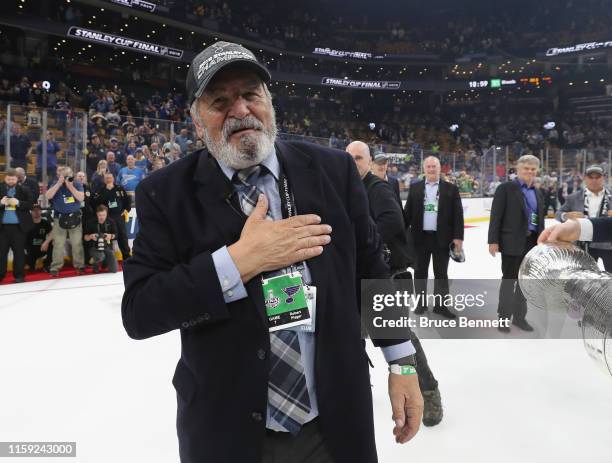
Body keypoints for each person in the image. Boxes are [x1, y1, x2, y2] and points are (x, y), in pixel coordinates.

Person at [121, 41, 423, 463]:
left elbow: (372, 271)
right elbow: (139, 311)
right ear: (196, 119)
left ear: (269, 101)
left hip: (333, 421)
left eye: (250, 94)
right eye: (220, 101)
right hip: (227, 430)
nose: (240, 110)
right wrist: (238, 262)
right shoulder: (165, 195)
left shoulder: (334, 171)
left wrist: (402, 361)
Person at [347, 140, 443, 427]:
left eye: (359, 158)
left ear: (368, 162)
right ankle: (355, 393)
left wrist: (353, 240)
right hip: (362, 278)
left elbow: (390, 222)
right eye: (348, 158)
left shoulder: (378, 188)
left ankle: (428, 393)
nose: (353, 162)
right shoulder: (347, 190)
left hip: (391, 277)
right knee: (354, 336)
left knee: (401, 338)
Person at [488, 154, 545, 332]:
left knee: (524, 283)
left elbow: (539, 220)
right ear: (518, 169)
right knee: (509, 281)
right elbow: (495, 216)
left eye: (533, 169)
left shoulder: (537, 192)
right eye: (526, 168)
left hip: (531, 243)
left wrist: (541, 241)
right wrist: (493, 241)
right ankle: (503, 318)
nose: (529, 171)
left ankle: (520, 317)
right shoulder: (505, 188)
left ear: (537, 171)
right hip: (511, 242)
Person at [403, 156, 464, 319]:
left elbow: (458, 215)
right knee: (420, 273)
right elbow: (407, 213)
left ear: (440, 168)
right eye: (428, 166)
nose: (431, 169)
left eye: (434, 166)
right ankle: (421, 304)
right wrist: (399, 233)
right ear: (424, 169)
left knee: (441, 274)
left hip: (442, 239)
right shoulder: (415, 188)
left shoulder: (451, 189)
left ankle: (441, 306)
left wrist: (458, 237)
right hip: (420, 239)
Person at [555, 165, 612, 271]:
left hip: (609, 244)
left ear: (604, 178)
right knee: (584, 279)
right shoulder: (574, 197)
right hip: (583, 245)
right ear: (585, 178)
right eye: (591, 177)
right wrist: (566, 215)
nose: (594, 180)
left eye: (597, 177)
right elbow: (558, 213)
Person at [45, 166, 86, 276]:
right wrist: (59, 184)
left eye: (69, 175)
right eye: (65, 175)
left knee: (77, 243)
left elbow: (81, 198)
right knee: (58, 243)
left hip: (75, 218)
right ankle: (55, 267)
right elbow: (48, 196)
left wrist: (70, 186)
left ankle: (80, 265)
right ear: (60, 175)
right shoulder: (55, 183)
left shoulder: (76, 183)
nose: (68, 177)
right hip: (59, 218)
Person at [0, 169, 34, 283]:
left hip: (19, 228)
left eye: (13, 179)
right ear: (5, 179)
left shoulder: (25, 189)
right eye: (8, 179)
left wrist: (18, 203)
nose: (10, 181)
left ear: (17, 179)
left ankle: (19, 276)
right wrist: (0, 203)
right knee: (1, 253)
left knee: (19, 252)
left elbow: (30, 205)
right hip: (2, 228)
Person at [93, 173, 131, 260]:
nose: (109, 179)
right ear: (104, 180)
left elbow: (126, 201)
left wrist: (126, 210)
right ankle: (106, 259)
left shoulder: (119, 188)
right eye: (107, 178)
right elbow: (97, 202)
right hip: (107, 218)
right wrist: (106, 191)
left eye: (110, 178)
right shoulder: (101, 190)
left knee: (123, 237)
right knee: (106, 237)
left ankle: (127, 256)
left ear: (113, 178)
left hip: (119, 217)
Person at [84, 205, 118, 273]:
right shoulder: (90, 222)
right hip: (94, 247)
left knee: (114, 270)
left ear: (106, 214)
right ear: (96, 214)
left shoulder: (111, 221)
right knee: (100, 257)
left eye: (103, 215)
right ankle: (93, 263)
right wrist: (90, 236)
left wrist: (111, 236)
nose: (102, 217)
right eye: (100, 215)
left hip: (107, 246)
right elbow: (85, 238)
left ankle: (104, 263)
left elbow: (116, 235)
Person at [539, 217, 612, 244]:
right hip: (534, 232)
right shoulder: (575, 196)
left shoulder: (536, 193)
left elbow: (537, 211)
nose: (594, 181)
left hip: (604, 244)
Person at [25, 205, 53, 272]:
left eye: (38, 210)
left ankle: (47, 265)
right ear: (31, 212)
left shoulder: (45, 222)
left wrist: (46, 242)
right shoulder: (27, 223)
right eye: (34, 210)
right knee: (30, 270)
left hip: (42, 247)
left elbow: (52, 234)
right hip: (30, 250)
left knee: (53, 243)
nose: (36, 212)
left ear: (41, 211)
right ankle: (30, 264)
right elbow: (22, 238)